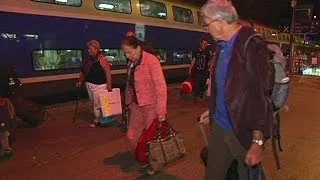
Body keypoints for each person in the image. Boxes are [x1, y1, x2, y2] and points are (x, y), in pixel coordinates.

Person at [198, 0, 272, 179]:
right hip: (220, 127)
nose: (206, 30)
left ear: (219, 23)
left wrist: (257, 141)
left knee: (246, 175)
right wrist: (213, 109)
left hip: (242, 131)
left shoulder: (252, 46)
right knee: (213, 175)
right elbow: (225, 88)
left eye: (207, 24)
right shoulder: (221, 47)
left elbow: (260, 96)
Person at [122, 36, 167, 175]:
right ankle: (142, 158)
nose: (127, 56)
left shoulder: (151, 61)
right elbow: (130, 84)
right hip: (136, 106)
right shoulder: (131, 64)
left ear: (138, 48)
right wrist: (128, 103)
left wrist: (161, 111)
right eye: (125, 53)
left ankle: (154, 164)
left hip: (151, 107)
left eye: (129, 52)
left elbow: (161, 87)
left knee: (151, 140)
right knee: (131, 136)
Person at [76, 40, 112, 128]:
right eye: (88, 49)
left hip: (100, 85)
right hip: (89, 84)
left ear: (97, 49)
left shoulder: (102, 59)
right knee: (94, 102)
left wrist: (109, 85)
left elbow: (108, 72)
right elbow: (83, 72)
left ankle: (96, 120)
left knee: (97, 103)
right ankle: (102, 118)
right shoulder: (87, 60)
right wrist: (80, 81)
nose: (89, 51)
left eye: (91, 49)